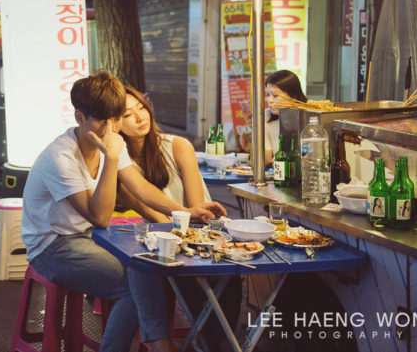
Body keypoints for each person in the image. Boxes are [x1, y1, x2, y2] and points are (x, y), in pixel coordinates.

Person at [21, 71, 225, 352]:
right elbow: (100, 216)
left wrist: (186, 211)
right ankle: (157, 345)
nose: (111, 127)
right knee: (134, 287)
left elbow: (140, 187)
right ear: (79, 117)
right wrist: (111, 157)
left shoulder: (110, 139)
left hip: (90, 236)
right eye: (102, 120)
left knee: (145, 265)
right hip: (52, 245)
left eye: (116, 118)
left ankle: (159, 344)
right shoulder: (61, 157)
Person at [119, 86, 240, 352]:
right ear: (115, 122)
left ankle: (218, 340)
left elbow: (197, 208)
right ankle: (180, 341)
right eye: (128, 114)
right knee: (153, 266)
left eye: (141, 107)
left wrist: (186, 232)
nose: (140, 117)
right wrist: (174, 237)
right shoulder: (119, 161)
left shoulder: (178, 146)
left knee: (225, 270)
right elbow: (150, 213)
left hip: (197, 233)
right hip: (159, 240)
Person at [264, 70, 307, 166]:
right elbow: (267, 160)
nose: (269, 100)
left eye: (275, 96)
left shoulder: (309, 117)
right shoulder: (266, 117)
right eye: (268, 95)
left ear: (293, 96)